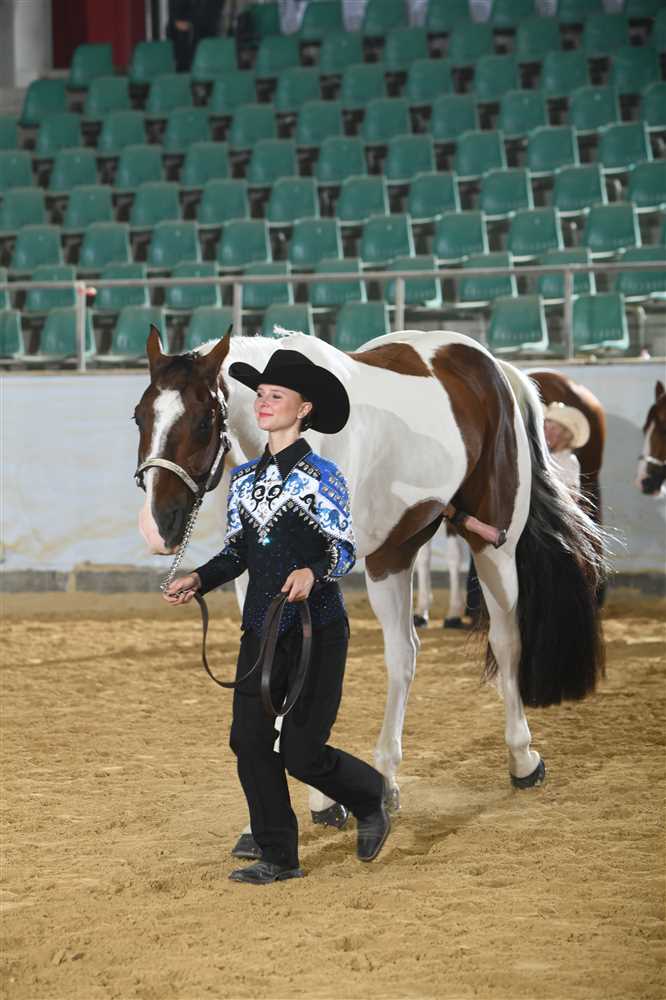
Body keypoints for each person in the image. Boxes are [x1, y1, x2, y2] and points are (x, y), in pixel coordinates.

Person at [164, 349, 390, 885]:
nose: (263, 404)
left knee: (302, 754)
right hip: (261, 631)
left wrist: (314, 571)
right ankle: (279, 854)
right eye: (261, 395)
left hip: (318, 631)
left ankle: (370, 797)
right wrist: (200, 578)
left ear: (303, 409)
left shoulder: (323, 476)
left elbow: (344, 550)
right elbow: (237, 552)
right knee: (248, 740)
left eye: (276, 396)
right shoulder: (243, 480)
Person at [543, 401, 591, 493]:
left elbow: (572, 495)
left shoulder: (570, 462)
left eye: (553, 429)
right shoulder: (541, 454)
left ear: (566, 435)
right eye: (545, 428)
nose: (546, 433)